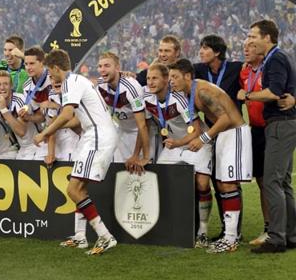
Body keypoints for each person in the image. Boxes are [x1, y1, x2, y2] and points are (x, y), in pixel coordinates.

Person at [34, 49, 118, 255]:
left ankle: (106, 237)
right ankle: (80, 236)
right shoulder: (77, 81)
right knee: (78, 188)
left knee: (73, 190)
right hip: (93, 135)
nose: (49, 75)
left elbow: (67, 114)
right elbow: (75, 118)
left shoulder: (71, 83)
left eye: (49, 71)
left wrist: (44, 132)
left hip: (98, 136)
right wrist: (56, 127)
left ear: (55, 68)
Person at [169, 59, 252, 254]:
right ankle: (231, 236)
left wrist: (203, 138)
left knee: (229, 184)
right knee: (223, 184)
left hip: (234, 133)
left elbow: (226, 118)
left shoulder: (203, 91)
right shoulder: (191, 92)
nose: (171, 81)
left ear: (187, 76)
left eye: (174, 77)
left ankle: (231, 239)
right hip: (223, 135)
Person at [144, 63, 213, 246]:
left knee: (202, 183)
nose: (150, 82)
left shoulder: (179, 99)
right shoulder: (148, 100)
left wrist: (178, 143)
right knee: (158, 180)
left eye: (155, 78)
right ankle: (168, 226)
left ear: (166, 80)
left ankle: (203, 230)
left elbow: (197, 129)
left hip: (195, 142)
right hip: (173, 145)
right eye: (148, 78)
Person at [243, 20, 296, 253]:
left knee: (273, 181)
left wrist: (248, 95)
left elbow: (274, 92)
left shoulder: (275, 58)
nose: (250, 40)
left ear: (267, 37)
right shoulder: (279, 57)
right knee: (283, 182)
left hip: (279, 124)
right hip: (286, 124)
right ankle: (291, 235)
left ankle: (276, 238)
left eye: (253, 35)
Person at [96, 52, 150, 170]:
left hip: (139, 133)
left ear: (117, 68)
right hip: (121, 131)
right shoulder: (100, 85)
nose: (102, 70)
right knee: (120, 171)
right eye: (100, 66)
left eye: (107, 66)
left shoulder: (131, 87)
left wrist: (136, 155)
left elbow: (142, 126)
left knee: (138, 172)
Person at [239, 38, 270, 246]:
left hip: (273, 128)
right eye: (245, 47)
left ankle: (278, 227)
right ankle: (269, 226)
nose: (246, 49)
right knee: (261, 180)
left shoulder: (271, 69)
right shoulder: (244, 72)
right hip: (255, 131)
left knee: (272, 181)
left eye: (250, 46)